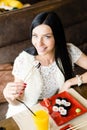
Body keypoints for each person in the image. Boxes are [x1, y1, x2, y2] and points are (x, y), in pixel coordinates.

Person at [3, 11, 87, 118]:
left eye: (47, 37)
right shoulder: (24, 60)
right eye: (35, 36)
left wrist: (70, 82)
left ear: (57, 36)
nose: (39, 43)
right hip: (27, 112)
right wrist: (10, 97)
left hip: (55, 108)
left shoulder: (68, 51)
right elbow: (18, 102)